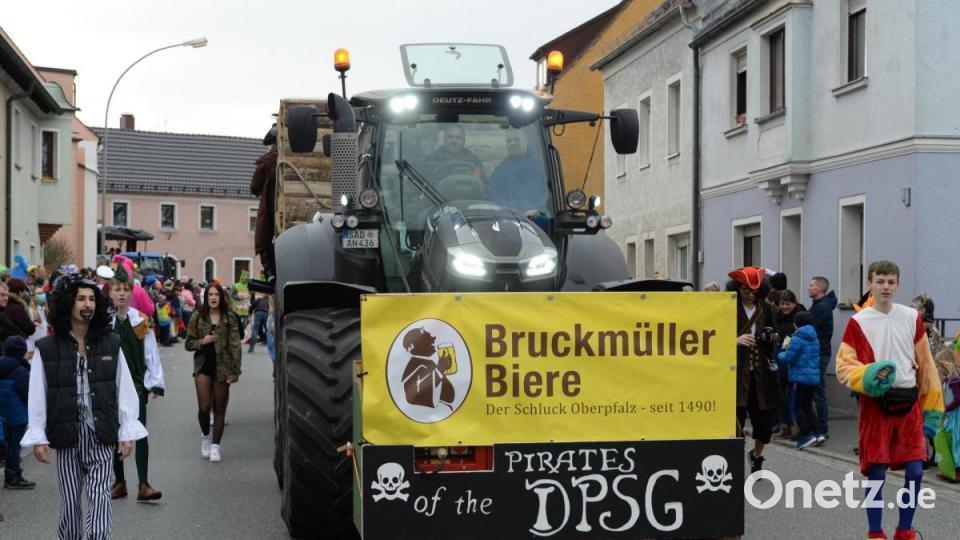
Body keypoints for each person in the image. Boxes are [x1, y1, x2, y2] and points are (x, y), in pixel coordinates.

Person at [21, 273, 147, 540]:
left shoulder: (110, 342)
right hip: (66, 434)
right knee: (69, 502)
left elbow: (122, 387)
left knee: (100, 494)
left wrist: (126, 430)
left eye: (91, 299)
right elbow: (38, 394)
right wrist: (38, 435)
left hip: (101, 431)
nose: (87, 304)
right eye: (81, 299)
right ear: (68, 303)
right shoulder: (47, 348)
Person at [835, 260, 943, 540]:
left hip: (909, 406)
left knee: (917, 471)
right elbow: (844, 367)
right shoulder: (858, 322)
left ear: (898, 284)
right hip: (876, 406)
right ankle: (875, 533)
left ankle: (904, 530)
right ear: (869, 284)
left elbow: (927, 364)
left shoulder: (910, 317)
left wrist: (932, 409)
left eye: (891, 282)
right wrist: (869, 375)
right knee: (877, 473)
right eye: (880, 281)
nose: (885, 287)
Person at [108, 265, 164, 502]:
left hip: (136, 384)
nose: (121, 293)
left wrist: (154, 382)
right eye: (117, 289)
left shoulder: (140, 320)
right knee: (113, 433)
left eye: (125, 289)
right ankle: (119, 482)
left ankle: (144, 483)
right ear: (111, 292)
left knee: (140, 432)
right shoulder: (105, 323)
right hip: (111, 385)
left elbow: (151, 352)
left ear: (131, 292)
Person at [729, 266, 781, 474]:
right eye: (745, 290)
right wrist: (735, 340)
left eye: (753, 291)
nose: (749, 295)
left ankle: (756, 455)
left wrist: (771, 336)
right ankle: (733, 463)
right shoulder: (729, 307)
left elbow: (776, 334)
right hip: (736, 374)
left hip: (761, 375)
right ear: (737, 289)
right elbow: (713, 337)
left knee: (765, 423)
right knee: (735, 422)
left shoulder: (766, 309)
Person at [185, 283, 241, 463]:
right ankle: (206, 437)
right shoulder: (197, 317)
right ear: (206, 297)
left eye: (216, 294)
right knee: (203, 408)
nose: (213, 298)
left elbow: (235, 346)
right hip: (203, 365)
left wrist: (235, 371)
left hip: (223, 366)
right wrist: (203, 341)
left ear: (221, 297)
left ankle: (216, 446)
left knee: (219, 408)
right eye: (210, 295)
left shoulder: (229, 318)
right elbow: (188, 344)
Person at [777, 311, 821, 449]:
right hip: (812, 377)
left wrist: (781, 353)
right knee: (807, 406)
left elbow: (789, 358)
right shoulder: (814, 336)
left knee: (796, 407)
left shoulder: (797, 338)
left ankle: (806, 435)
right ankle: (818, 432)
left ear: (796, 324)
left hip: (799, 377)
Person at [0, 335, 35, 489]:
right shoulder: (19, 370)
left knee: (8, 445)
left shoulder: (2, 365)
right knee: (15, 446)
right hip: (17, 414)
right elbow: (27, 393)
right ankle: (13, 476)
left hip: (4, 413)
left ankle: (10, 474)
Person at [772, 289, 807, 439]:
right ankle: (785, 424)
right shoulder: (777, 317)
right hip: (780, 356)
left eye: (788, 304)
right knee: (780, 393)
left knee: (794, 395)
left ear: (794, 303)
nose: (785, 307)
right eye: (782, 304)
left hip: (795, 358)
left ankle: (798, 426)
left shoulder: (800, 317)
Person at [807, 275, 838, 444]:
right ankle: (815, 428)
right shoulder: (819, 306)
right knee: (814, 391)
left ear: (820, 288)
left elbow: (809, 327)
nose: (809, 288)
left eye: (812, 285)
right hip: (816, 352)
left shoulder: (822, 307)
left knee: (818, 392)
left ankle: (822, 430)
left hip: (819, 353)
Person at [489, 130, 548, 214]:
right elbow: (494, 193)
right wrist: (506, 209)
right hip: (508, 216)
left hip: (537, 216)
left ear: (526, 141)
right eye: (508, 141)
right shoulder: (501, 169)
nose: (512, 143)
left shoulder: (541, 165)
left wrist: (537, 208)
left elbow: (547, 193)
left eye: (516, 140)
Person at [251, 124, 279, 278]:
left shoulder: (268, 161)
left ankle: (269, 273)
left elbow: (254, 186)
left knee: (264, 240)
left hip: (270, 212)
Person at [911, 294, 944, 358]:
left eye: (912, 308)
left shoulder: (927, 330)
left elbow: (930, 356)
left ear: (922, 310)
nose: (909, 311)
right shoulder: (921, 327)